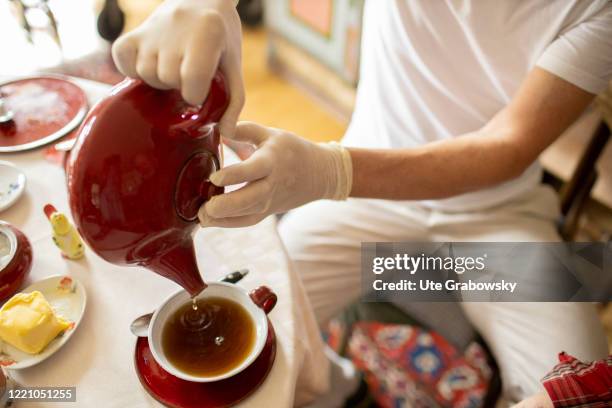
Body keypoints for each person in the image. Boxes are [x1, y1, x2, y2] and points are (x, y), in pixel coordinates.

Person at [112, 0, 612, 405]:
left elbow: (508, 148)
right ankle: (339, 388)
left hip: (496, 224)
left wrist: (331, 171)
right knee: (254, 329)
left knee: (579, 381)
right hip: (370, 198)